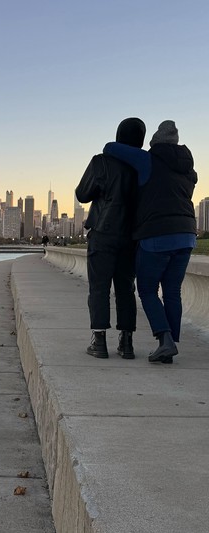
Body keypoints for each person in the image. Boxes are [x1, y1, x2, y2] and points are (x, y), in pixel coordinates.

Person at [103, 120, 198, 364]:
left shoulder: (148, 160)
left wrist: (140, 151)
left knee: (146, 289)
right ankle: (168, 345)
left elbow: (110, 147)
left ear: (155, 143)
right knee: (172, 291)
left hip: (156, 235)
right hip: (187, 235)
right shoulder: (189, 171)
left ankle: (164, 340)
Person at [75, 117, 144, 359]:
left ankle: (99, 341)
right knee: (126, 288)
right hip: (131, 236)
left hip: (103, 233)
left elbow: (82, 194)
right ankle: (127, 343)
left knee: (99, 288)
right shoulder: (145, 166)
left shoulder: (102, 162)